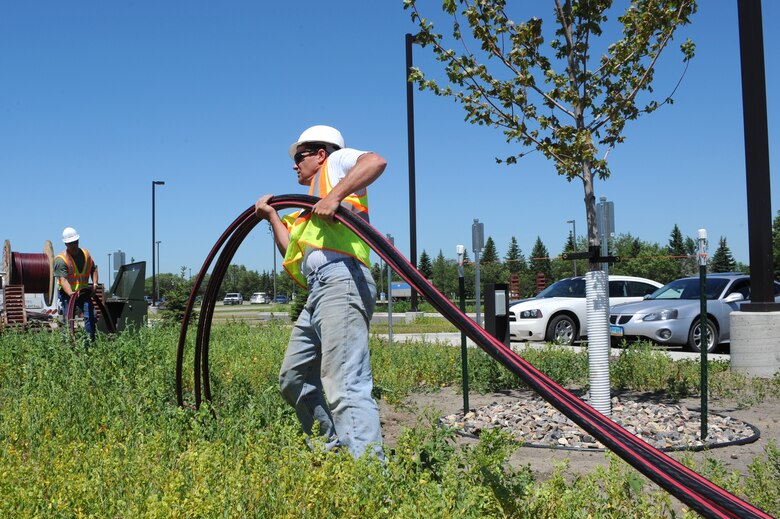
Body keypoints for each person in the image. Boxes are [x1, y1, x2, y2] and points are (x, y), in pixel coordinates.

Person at [255, 125, 387, 459]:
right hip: (319, 290)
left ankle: (370, 479)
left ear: (320, 154)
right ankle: (337, 452)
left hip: (342, 279)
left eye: (299, 156)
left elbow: (375, 162)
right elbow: (293, 254)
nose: (294, 165)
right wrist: (272, 217)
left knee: (344, 382)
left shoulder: (338, 165)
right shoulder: (306, 209)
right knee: (293, 378)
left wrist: (335, 196)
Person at [54, 226, 99, 340]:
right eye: (70, 243)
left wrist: (94, 284)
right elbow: (63, 280)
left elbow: (93, 269)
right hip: (67, 294)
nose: (73, 245)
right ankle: (68, 342)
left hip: (83, 293)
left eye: (75, 242)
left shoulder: (86, 254)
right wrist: (72, 294)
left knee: (91, 315)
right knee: (68, 318)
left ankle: (90, 341)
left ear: (78, 241)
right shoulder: (61, 260)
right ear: (66, 244)